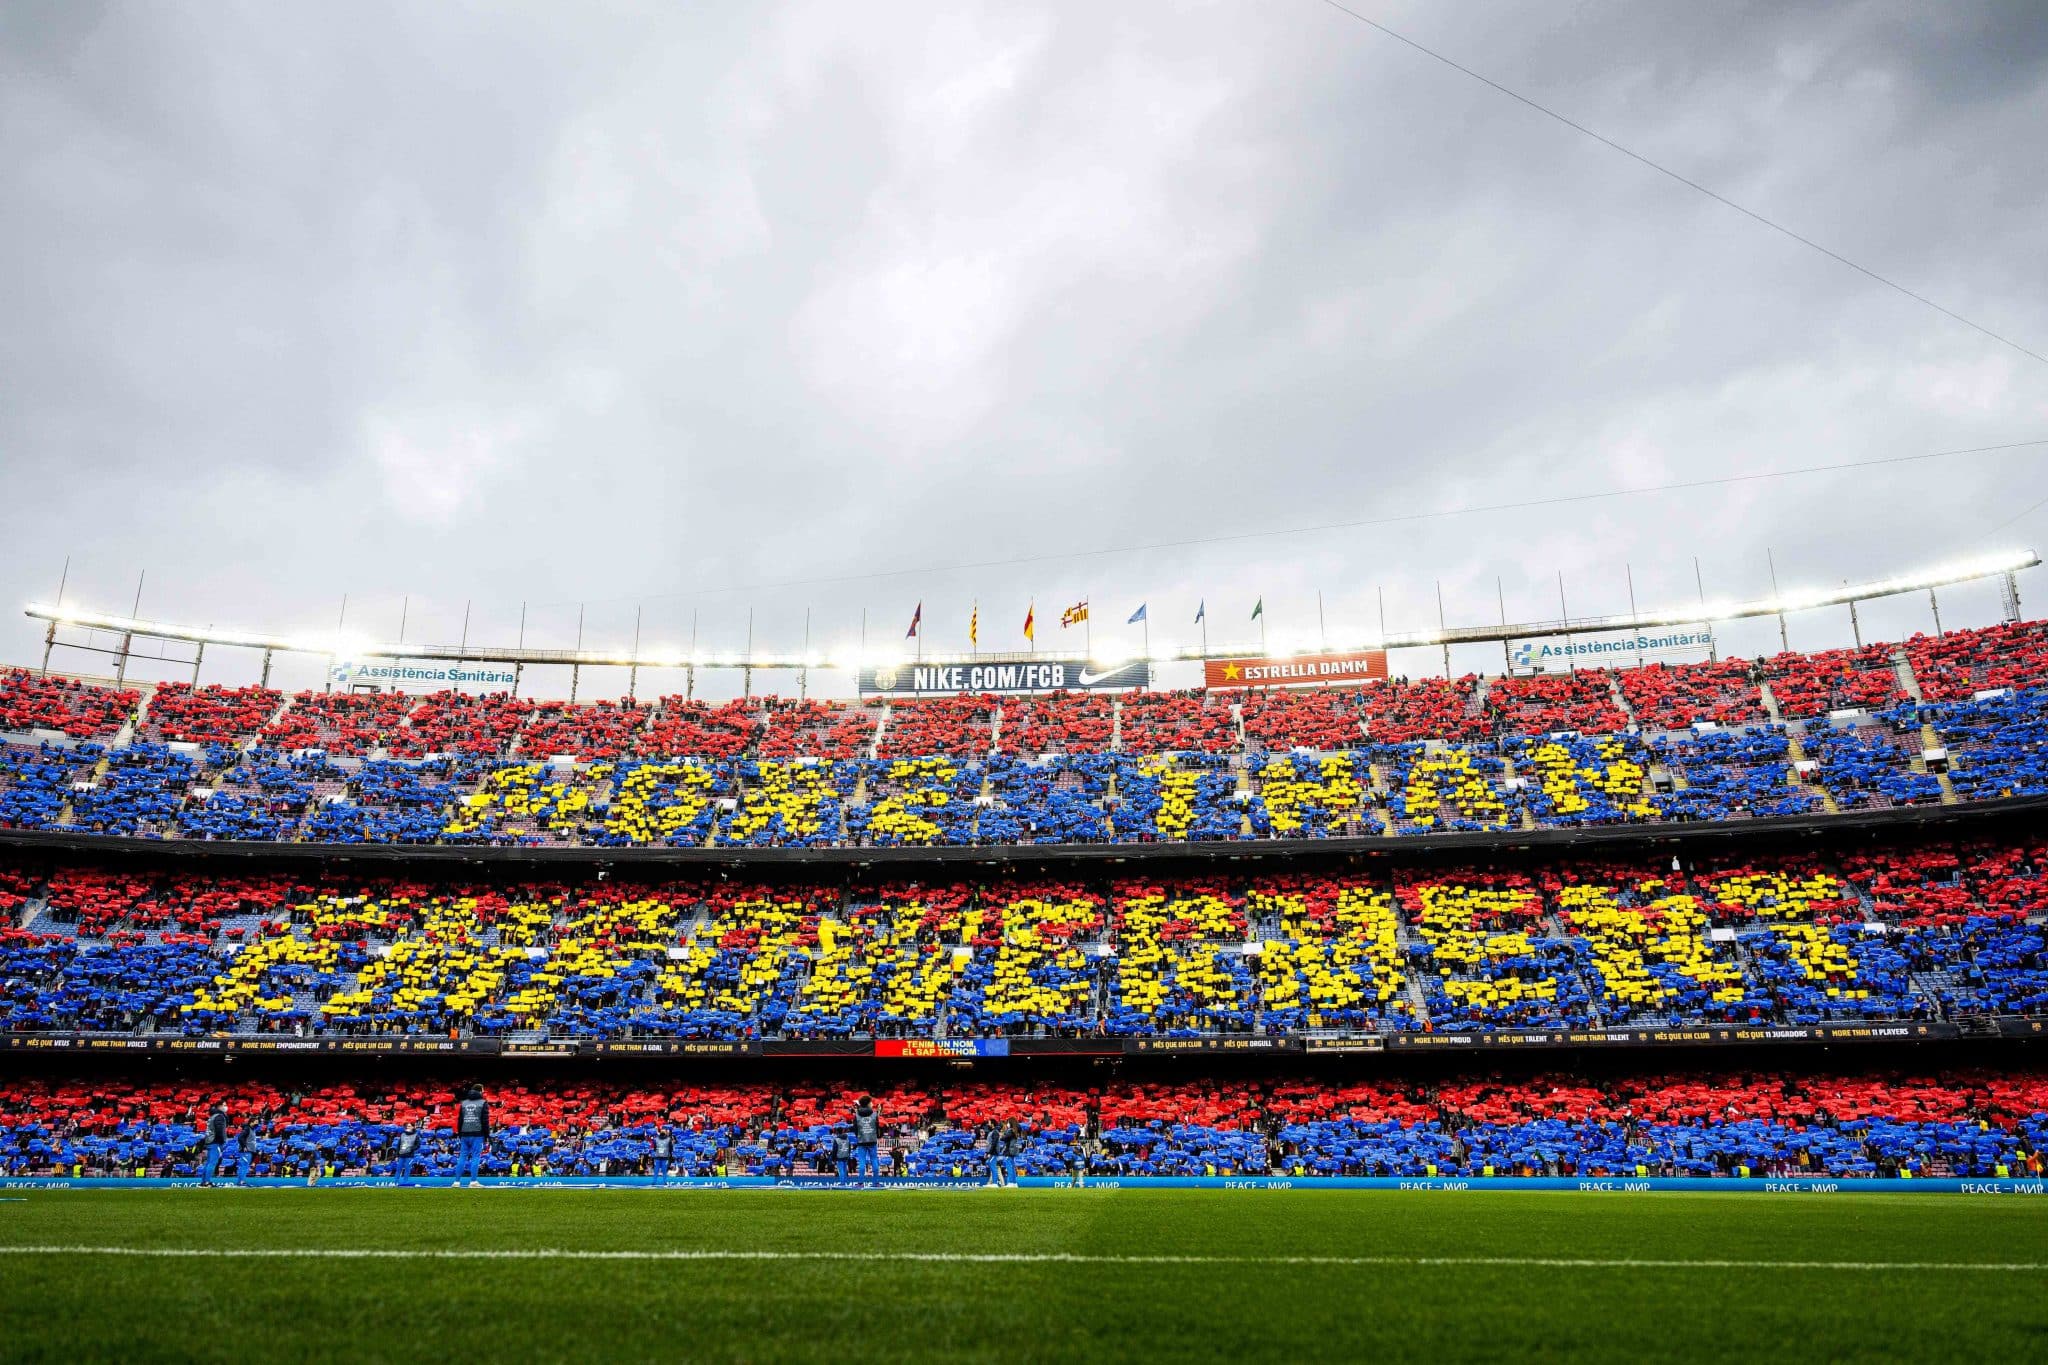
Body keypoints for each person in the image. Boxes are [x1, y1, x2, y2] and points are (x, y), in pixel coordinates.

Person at [454, 1084, 490, 1185]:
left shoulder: (464, 1103)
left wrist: (460, 1134)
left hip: (464, 1133)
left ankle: (456, 1182)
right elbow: (485, 1121)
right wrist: (487, 1135)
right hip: (477, 1134)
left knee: (462, 1157)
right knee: (475, 1157)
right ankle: (473, 1181)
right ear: (480, 1091)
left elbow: (460, 1120)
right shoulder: (483, 1103)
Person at [851, 1096, 881, 1182]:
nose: (872, 1104)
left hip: (861, 1141)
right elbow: (877, 1127)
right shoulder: (875, 1114)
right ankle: (876, 1182)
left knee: (862, 1162)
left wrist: (859, 1136)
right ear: (868, 1104)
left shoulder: (856, 1115)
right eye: (871, 1102)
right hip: (872, 1141)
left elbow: (855, 1129)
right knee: (874, 1161)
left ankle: (860, 1182)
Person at [200, 1104, 229, 1186]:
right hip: (215, 1142)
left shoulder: (212, 1117)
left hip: (210, 1141)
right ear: (219, 1107)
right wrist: (222, 1140)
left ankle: (204, 1181)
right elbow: (219, 1130)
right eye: (224, 1105)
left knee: (209, 1162)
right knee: (212, 1162)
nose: (225, 1106)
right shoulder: (219, 1116)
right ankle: (207, 1182)